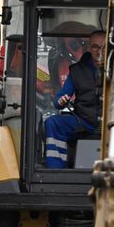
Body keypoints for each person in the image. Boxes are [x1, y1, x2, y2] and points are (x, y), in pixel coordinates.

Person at [44, 30, 104, 169]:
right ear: (89, 48)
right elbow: (58, 99)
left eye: (104, 47)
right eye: (95, 47)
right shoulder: (77, 71)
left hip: (113, 122)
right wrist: (60, 101)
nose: (99, 51)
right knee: (53, 123)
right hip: (83, 121)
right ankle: (55, 171)